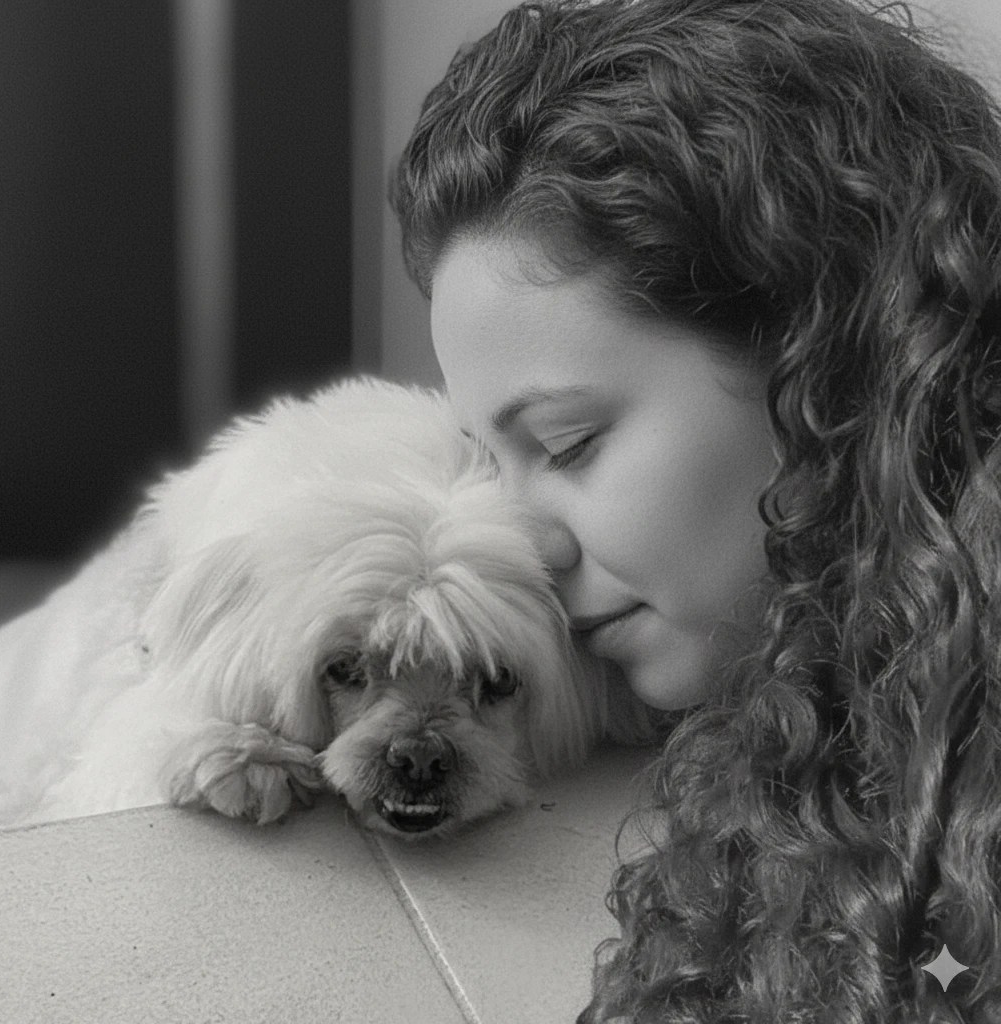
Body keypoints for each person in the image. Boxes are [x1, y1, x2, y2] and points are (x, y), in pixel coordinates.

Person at [391, 0, 1001, 1019]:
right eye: (492, 465)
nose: (525, 541)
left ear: (818, 351)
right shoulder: (846, 690)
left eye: (567, 445)